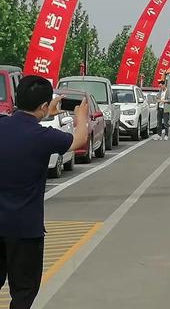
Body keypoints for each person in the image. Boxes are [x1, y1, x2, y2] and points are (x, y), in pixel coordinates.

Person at [0, 76, 89, 309]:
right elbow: (80, 139)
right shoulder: (43, 137)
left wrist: (45, 113)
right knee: (24, 290)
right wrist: (81, 117)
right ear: (42, 106)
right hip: (25, 230)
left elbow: (25, 123)